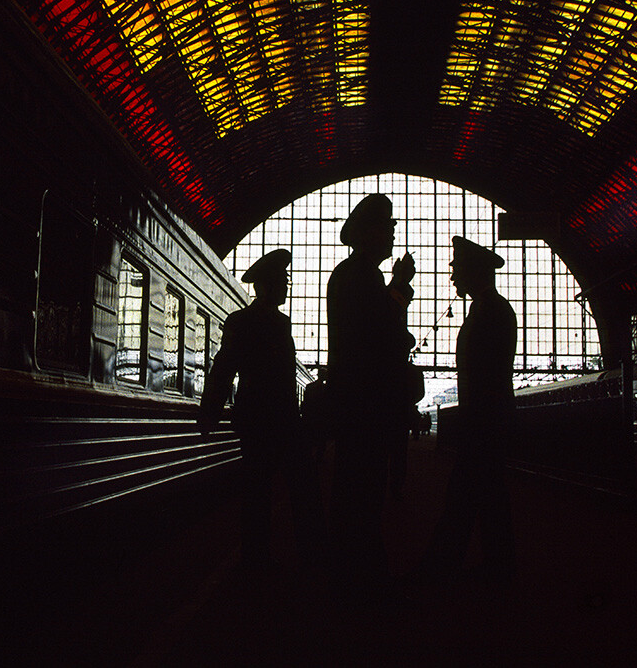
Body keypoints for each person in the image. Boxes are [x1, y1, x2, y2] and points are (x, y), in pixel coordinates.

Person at [198, 249, 325, 574]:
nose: (287, 286)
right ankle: (266, 560)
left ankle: (293, 556)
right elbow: (224, 368)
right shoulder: (244, 323)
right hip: (261, 423)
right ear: (267, 286)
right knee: (268, 492)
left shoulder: (279, 323)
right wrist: (209, 410)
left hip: (276, 421)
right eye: (283, 280)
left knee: (277, 490)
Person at [325, 193, 415, 591]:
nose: (393, 230)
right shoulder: (362, 275)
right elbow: (383, 332)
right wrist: (400, 285)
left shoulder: (349, 273)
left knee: (354, 495)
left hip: (354, 405)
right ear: (369, 232)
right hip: (365, 407)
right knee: (363, 495)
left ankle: (355, 572)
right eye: (388, 223)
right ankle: (361, 581)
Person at [418, 236, 516, 585]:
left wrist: (475, 419)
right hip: (487, 419)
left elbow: (486, 373)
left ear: (476, 270)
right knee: (488, 497)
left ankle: (441, 568)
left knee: (465, 496)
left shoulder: (490, 312)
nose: (453, 277)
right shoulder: (489, 309)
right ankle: (497, 566)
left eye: (457, 269)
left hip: (484, 420)